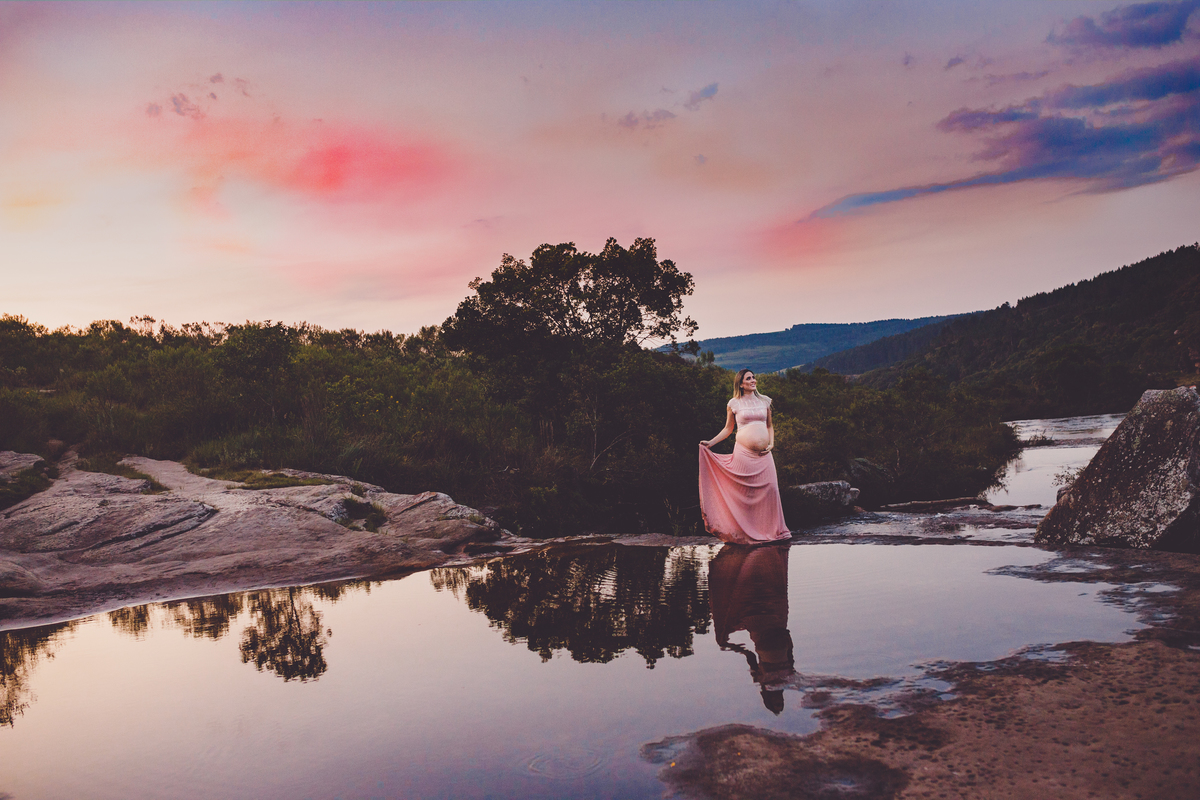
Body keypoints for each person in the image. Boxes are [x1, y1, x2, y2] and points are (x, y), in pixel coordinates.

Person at [698, 369, 791, 544]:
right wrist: (710, 443)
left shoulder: (765, 401)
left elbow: (769, 426)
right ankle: (745, 533)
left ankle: (772, 531)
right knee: (745, 494)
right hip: (743, 454)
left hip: (763, 455)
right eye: (749, 378)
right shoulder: (734, 403)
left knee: (771, 488)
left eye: (754, 377)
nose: (753, 380)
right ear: (741, 383)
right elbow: (728, 429)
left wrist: (771, 444)